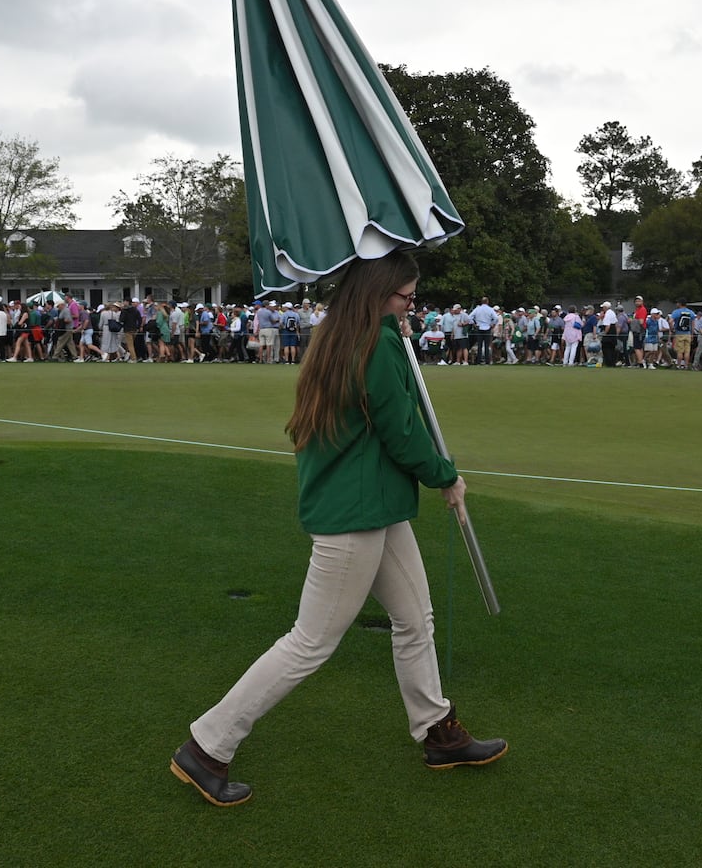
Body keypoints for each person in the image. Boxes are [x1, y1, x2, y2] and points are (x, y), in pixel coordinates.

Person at [170, 252, 507, 808]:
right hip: (354, 512)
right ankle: (207, 746)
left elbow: (391, 425)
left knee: (414, 618)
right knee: (310, 642)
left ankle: (436, 730)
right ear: (378, 295)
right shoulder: (375, 340)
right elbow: (401, 428)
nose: (412, 305)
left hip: (373, 504)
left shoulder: (348, 335)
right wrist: (445, 476)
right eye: (406, 296)